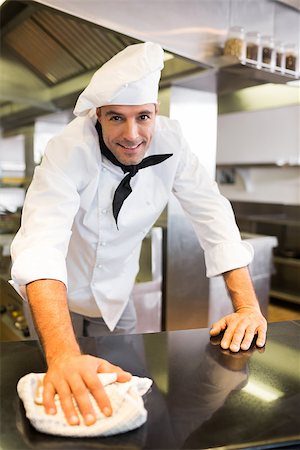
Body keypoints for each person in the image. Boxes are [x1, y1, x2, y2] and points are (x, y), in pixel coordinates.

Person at [10, 42, 267, 427]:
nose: (132, 134)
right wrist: (63, 354)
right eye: (116, 118)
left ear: (156, 112)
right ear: (98, 115)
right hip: (53, 299)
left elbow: (212, 214)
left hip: (117, 298)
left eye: (142, 117)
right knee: (64, 401)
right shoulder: (68, 149)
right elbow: (41, 243)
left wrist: (247, 306)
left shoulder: (173, 142)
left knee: (131, 397)